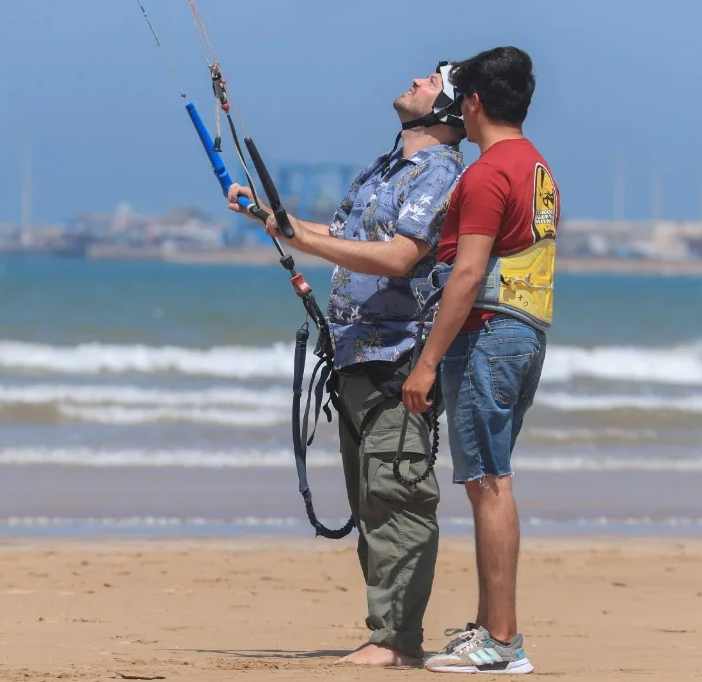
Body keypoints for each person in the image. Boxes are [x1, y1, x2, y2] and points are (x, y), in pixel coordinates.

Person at [226, 63, 466, 667]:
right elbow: (330, 239)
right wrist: (265, 216)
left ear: (452, 110)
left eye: (434, 80)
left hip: (399, 359)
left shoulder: (440, 172)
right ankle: (385, 631)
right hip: (356, 358)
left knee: (397, 497)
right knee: (370, 503)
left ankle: (394, 641)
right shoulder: (381, 170)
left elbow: (397, 257)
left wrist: (299, 237)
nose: (417, 79)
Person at [401, 46, 559, 674]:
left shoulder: (489, 172)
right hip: (525, 332)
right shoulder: (536, 165)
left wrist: (425, 364)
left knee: (487, 481)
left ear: (471, 104)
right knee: (488, 477)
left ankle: (503, 640)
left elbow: (467, 274)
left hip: (491, 333)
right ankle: (489, 629)